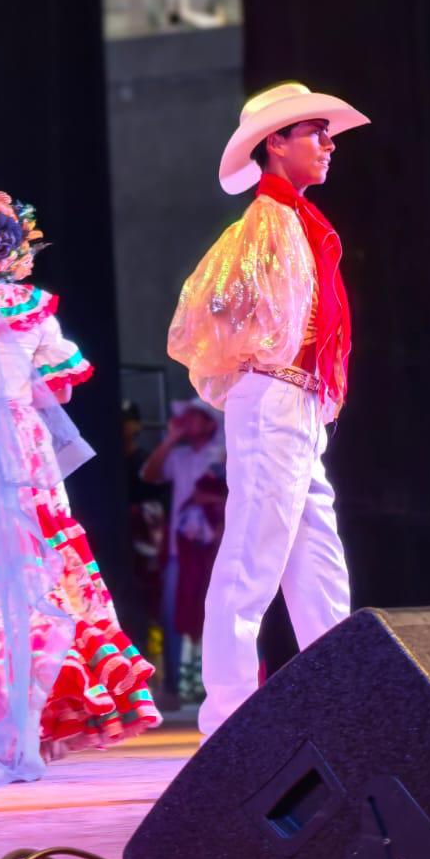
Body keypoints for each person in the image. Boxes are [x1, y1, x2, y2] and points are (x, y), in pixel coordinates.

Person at [167, 82, 368, 736]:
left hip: (298, 401)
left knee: (318, 562)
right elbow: (206, 312)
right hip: (273, 394)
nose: (329, 144)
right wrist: (253, 348)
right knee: (253, 555)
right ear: (275, 143)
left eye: (327, 132)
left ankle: (345, 710)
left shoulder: (298, 221)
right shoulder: (263, 223)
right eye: (315, 132)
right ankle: (226, 717)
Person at [0, 186, 159, 776]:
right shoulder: (33, 308)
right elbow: (56, 391)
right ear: (12, 252)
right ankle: (27, 719)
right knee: (33, 572)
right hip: (16, 446)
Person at [139, 398, 225, 708]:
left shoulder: (224, 453)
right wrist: (171, 439)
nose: (186, 421)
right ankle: (174, 685)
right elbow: (148, 476)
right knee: (173, 614)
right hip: (180, 551)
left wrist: (213, 501)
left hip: (216, 549)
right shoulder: (179, 456)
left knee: (218, 615)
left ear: (210, 423)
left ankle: (218, 688)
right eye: (184, 417)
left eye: (194, 417)